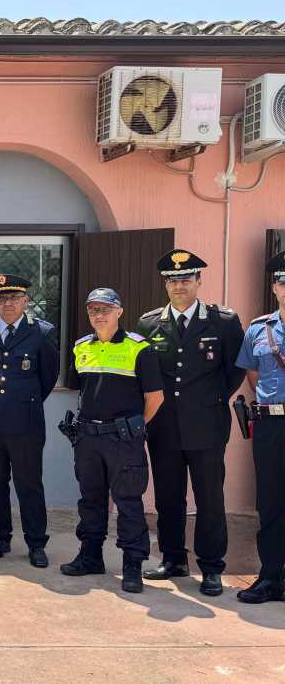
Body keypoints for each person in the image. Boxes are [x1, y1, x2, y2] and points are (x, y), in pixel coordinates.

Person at [137, 250, 244, 597]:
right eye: (172, 279)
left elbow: (234, 372)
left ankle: (212, 567)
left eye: (185, 279)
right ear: (165, 284)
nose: (179, 285)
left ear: (199, 281)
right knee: (168, 497)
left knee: (209, 497)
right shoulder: (149, 323)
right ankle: (173, 559)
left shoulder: (224, 322)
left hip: (207, 426)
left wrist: (207, 402)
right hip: (164, 426)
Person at [60, 288, 163, 594]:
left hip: (122, 440)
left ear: (119, 311)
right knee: (90, 501)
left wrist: (135, 427)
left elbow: (155, 398)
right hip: (88, 438)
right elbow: (79, 389)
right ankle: (90, 556)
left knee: (128, 503)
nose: (99, 315)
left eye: (105, 309)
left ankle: (133, 564)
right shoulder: (81, 347)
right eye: (93, 310)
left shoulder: (138, 348)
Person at [0, 274, 59, 568]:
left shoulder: (41, 333)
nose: (7, 303)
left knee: (28, 483)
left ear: (25, 301)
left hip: (26, 424)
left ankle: (35, 543)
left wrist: (23, 402)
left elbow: (48, 377)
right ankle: (0, 538)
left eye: (14, 298)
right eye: (1, 298)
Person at [234, 251, 285, 604]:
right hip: (271, 423)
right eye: (283, 281)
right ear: (274, 287)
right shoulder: (259, 328)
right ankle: (270, 577)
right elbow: (253, 376)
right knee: (270, 502)